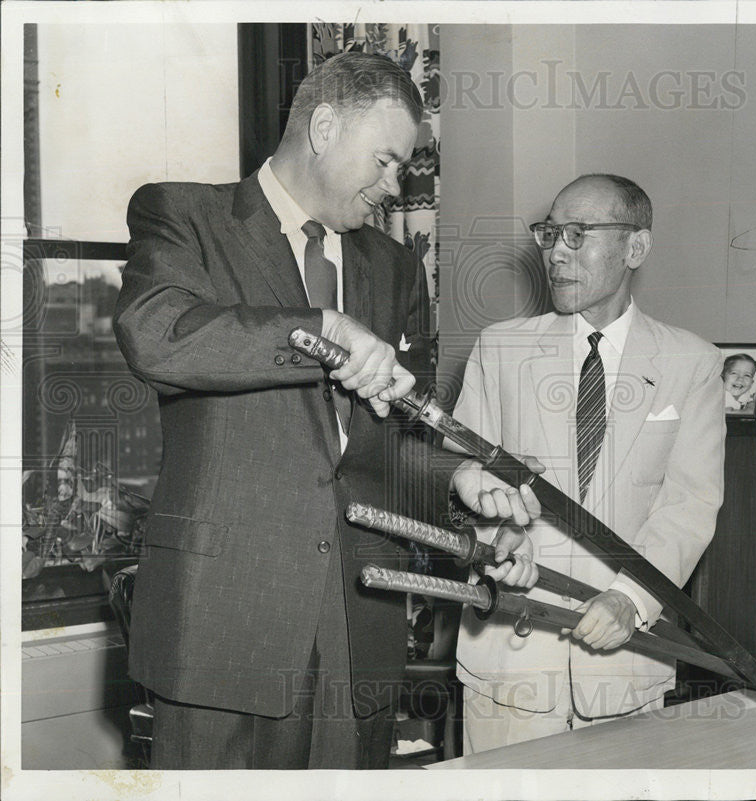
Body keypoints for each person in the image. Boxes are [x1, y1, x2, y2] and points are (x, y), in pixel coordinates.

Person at [112, 52, 540, 770]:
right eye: (384, 161)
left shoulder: (396, 267)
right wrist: (321, 330)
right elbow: (155, 334)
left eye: (403, 169)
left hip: (357, 624)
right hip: (225, 623)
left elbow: (398, 438)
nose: (392, 186)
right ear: (324, 126)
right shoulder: (185, 215)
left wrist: (460, 482)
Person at [450, 174, 726, 752]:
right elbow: (462, 476)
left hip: (625, 665)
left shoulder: (691, 362)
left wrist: (631, 600)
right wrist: (497, 535)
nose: (555, 252)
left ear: (636, 248)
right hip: (511, 662)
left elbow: (689, 506)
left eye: (577, 235)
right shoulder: (500, 348)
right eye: (550, 234)